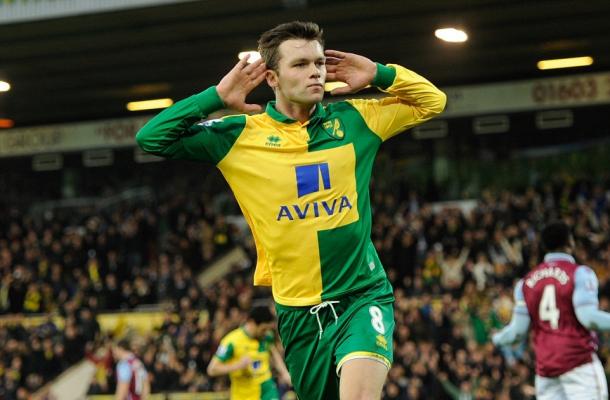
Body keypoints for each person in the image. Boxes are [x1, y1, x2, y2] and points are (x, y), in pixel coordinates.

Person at [136, 21, 446, 400]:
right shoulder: (240, 136)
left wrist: (380, 73)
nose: (314, 72)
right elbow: (151, 138)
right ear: (272, 77)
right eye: (299, 64)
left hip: (361, 296)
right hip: (298, 314)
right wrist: (216, 96)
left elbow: (433, 102)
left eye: (318, 62)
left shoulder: (356, 119)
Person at [492, 221, 610, 400]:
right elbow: (589, 318)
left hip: (546, 372)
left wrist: (497, 338)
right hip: (579, 364)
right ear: (570, 242)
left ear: (543, 246)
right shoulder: (580, 273)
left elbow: (517, 332)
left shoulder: (525, 283)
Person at [207, 305, 291, 399]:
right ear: (252, 322)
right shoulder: (231, 341)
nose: (266, 332)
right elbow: (212, 369)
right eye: (263, 329)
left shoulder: (266, 337)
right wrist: (237, 365)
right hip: (243, 396)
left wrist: (285, 374)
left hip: (267, 391)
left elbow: (273, 352)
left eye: (268, 329)